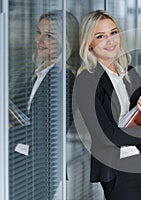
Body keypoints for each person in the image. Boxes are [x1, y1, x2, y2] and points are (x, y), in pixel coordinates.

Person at [74, 10, 141, 200]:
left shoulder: (129, 73)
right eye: (100, 36)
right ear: (89, 43)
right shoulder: (86, 80)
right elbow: (105, 136)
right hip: (119, 172)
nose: (110, 41)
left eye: (114, 32)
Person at [9, 10, 79, 199]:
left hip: (38, 168)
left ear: (67, 41)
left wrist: (12, 128)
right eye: (38, 33)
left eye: (49, 36)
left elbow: (45, 130)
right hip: (24, 162)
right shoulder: (40, 73)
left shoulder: (63, 79)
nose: (39, 40)